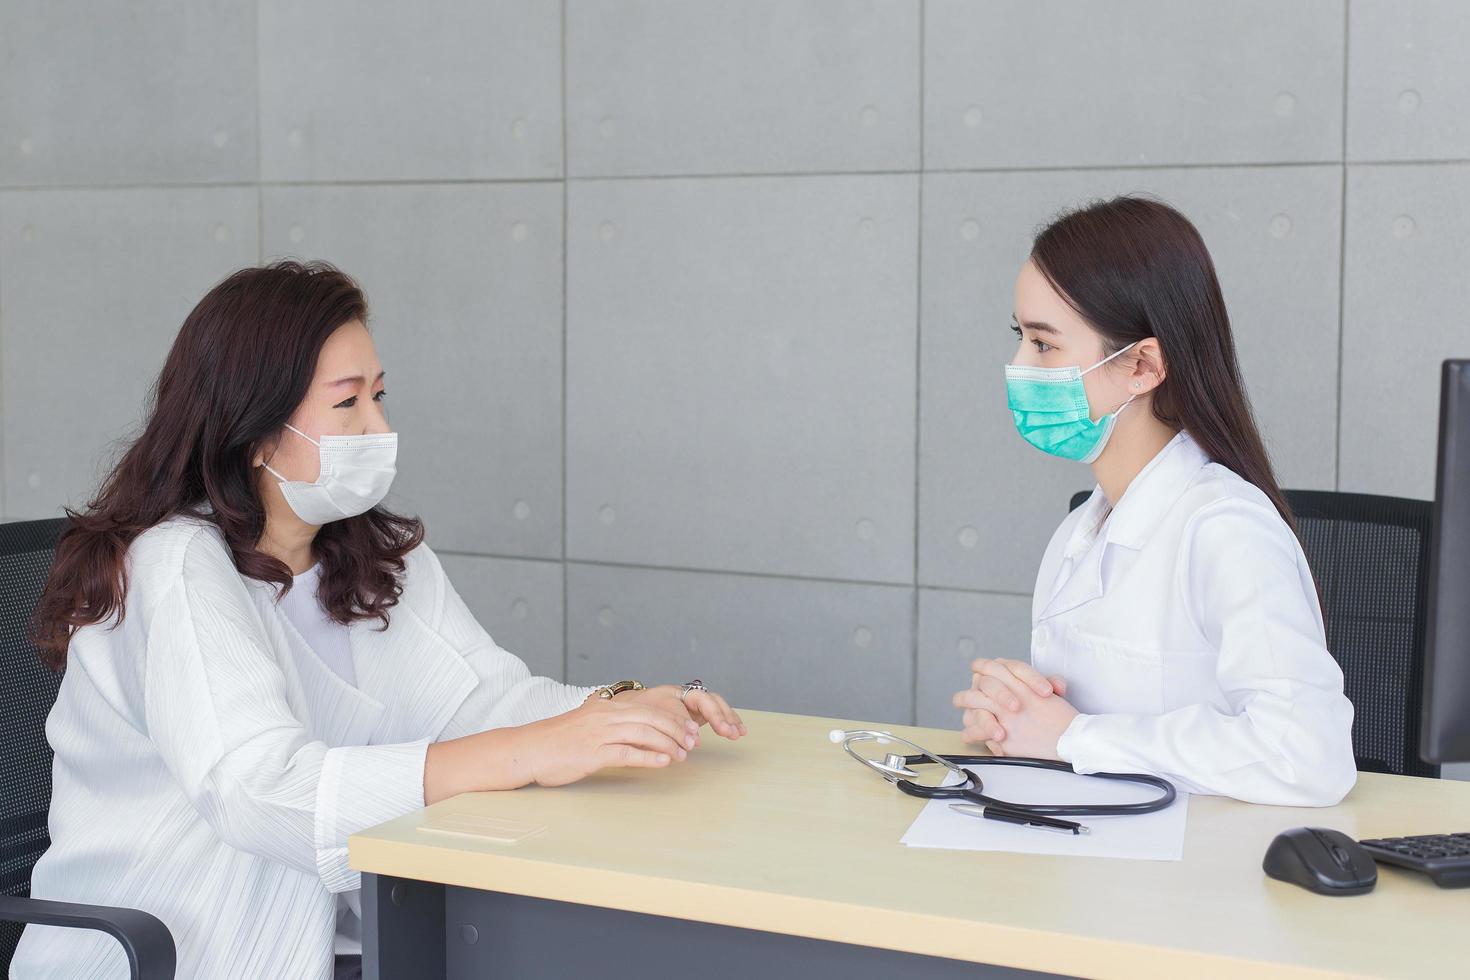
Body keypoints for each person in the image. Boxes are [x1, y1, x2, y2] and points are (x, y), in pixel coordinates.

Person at [13, 261, 745, 979]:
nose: (379, 426)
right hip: (184, 952)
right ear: (257, 432)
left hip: (341, 941)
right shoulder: (172, 566)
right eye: (347, 403)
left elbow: (482, 702)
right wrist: (533, 752)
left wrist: (616, 711)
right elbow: (261, 792)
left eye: (381, 396)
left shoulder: (370, 558)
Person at [952, 196, 1356, 807]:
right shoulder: (1080, 531)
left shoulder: (1226, 528)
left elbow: (1307, 756)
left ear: (1141, 365)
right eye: (1021, 336)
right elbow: (1086, 734)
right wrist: (1016, 723)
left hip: (1200, 880)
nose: (1017, 366)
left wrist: (1074, 738)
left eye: (1042, 343)